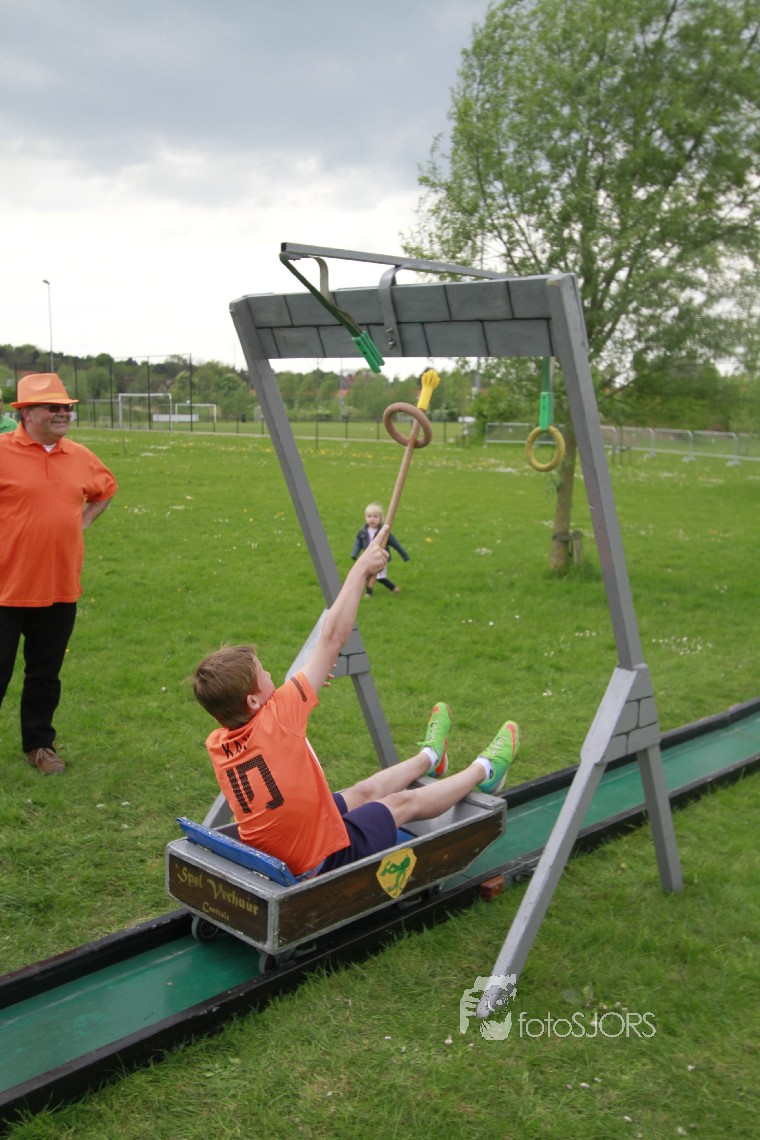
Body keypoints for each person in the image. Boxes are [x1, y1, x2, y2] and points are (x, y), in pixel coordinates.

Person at [192, 525, 520, 878]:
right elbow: (333, 637)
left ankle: (430, 758)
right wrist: (361, 568)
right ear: (255, 701)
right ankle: (485, 770)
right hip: (319, 860)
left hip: (287, 846)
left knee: (364, 790)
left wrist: (299, 693)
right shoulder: (280, 716)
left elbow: (269, 737)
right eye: (264, 673)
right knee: (401, 803)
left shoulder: (218, 743)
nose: (272, 674)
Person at [0, 373, 118, 774]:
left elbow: (105, 490)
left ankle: (39, 746)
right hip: (5, 589)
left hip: (59, 588)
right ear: (27, 413)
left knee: (45, 675)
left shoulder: (80, 456)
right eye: (53, 407)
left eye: (66, 407)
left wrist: (80, 521)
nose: (63, 413)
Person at [351, 501, 409, 595]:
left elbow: (396, 544)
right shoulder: (363, 531)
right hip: (368, 557)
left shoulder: (384, 533)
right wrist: (355, 553)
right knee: (367, 574)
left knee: (379, 577)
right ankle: (368, 592)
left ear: (380, 518)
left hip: (380, 558)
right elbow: (358, 543)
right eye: (369, 516)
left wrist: (404, 555)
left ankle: (393, 588)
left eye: (375, 516)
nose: (372, 519)